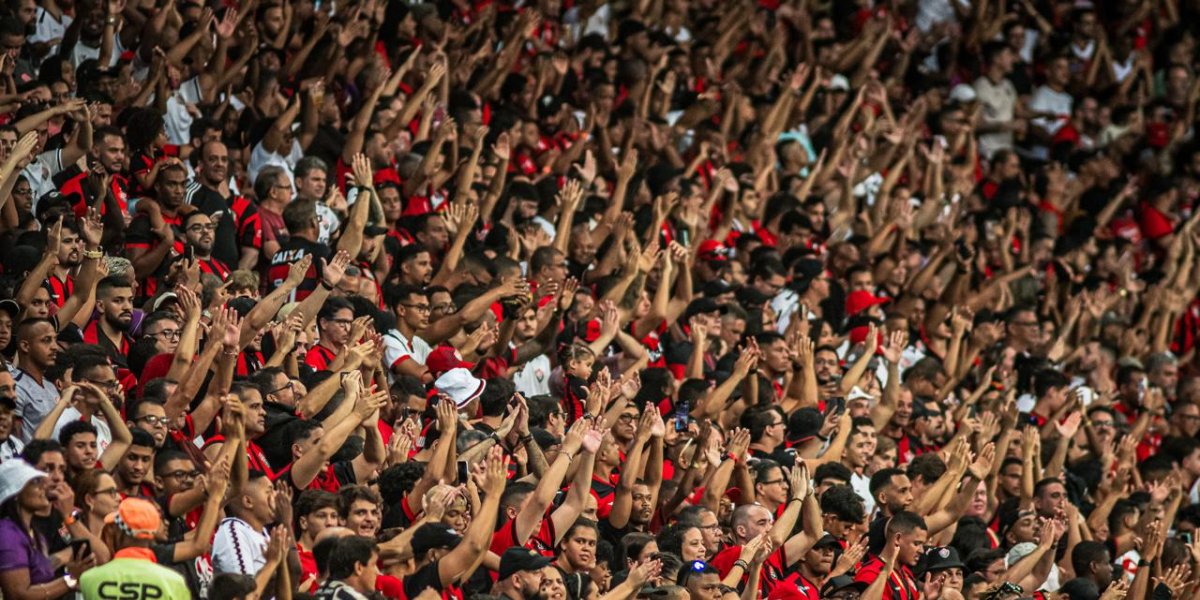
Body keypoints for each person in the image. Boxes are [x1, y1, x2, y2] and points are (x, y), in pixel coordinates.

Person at [78, 497, 189, 599]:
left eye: (113, 527)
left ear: (119, 531)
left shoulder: (89, 579)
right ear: (152, 533)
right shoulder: (174, 582)